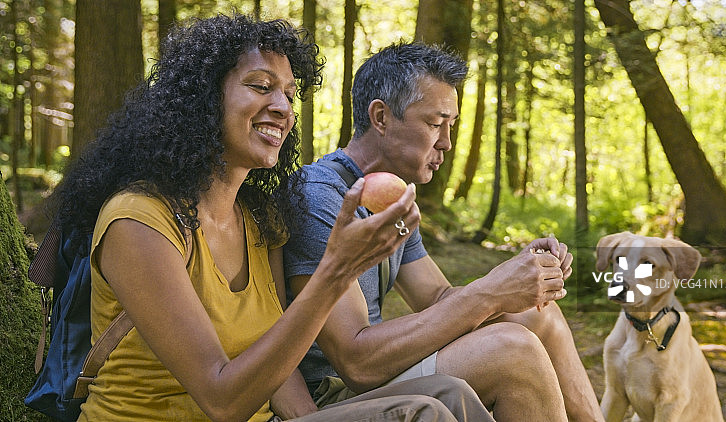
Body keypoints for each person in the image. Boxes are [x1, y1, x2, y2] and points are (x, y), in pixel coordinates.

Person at [51, 15, 495, 422]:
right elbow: (222, 400)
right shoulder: (138, 222)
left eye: (289, 94)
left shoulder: (258, 220)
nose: (283, 107)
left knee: (449, 393)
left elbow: (276, 363)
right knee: (422, 413)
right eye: (261, 87)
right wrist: (337, 270)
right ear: (203, 98)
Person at [283, 42, 605, 422]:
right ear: (381, 117)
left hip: (376, 376)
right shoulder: (321, 197)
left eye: (450, 126)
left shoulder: (393, 198)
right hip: (333, 395)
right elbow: (358, 362)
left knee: (538, 316)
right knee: (512, 351)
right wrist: (491, 292)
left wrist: (513, 277)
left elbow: (437, 297)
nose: (447, 143)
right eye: (435, 124)